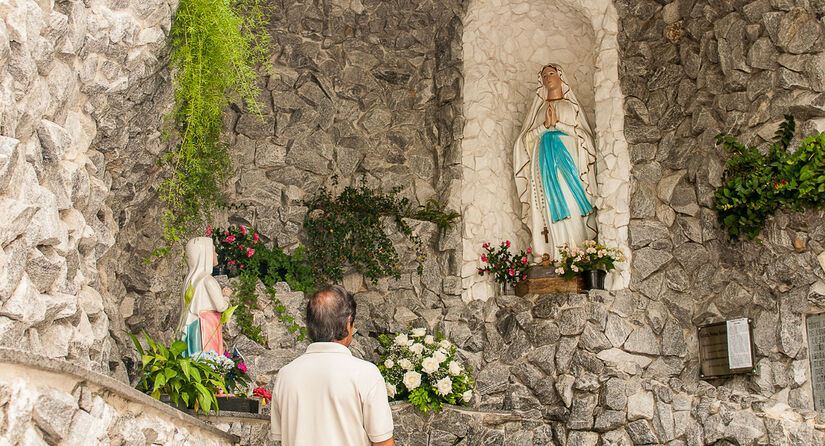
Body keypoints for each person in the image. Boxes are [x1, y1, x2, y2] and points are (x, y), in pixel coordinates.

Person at [270, 285, 394, 446]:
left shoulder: (286, 375)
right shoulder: (366, 374)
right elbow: (383, 442)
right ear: (348, 323)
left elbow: (282, 437)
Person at [513, 63, 598, 262]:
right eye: (544, 76)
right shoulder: (539, 109)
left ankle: (576, 252)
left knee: (571, 202)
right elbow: (525, 141)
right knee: (548, 206)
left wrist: (558, 125)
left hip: (569, 166)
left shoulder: (570, 106)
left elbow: (584, 138)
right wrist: (545, 126)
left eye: (551, 73)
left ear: (561, 77)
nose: (548, 78)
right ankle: (552, 253)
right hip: (544, 166)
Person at [177, 237, 232, 356]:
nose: (216, 254)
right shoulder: (208, 280)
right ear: (205, 254)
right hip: (206, 328)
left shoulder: (190, 280)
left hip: (192, 326)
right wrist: (226, 296)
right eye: (213, 250)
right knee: (207, 360)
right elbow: (221, 306)